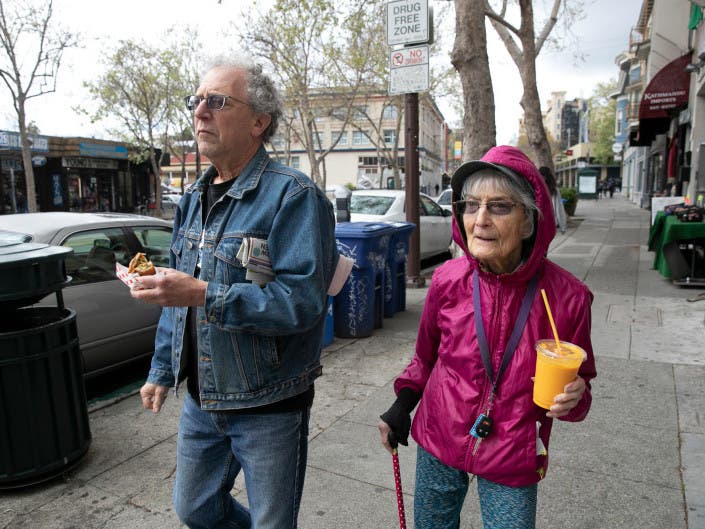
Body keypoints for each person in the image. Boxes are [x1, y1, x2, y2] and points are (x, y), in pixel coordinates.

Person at [131, 57, 339, 529]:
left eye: (217, 101)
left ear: (259, 122)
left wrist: (206, 293)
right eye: (197, 100)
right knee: (194, 507)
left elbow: (302, 304)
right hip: (202, 402)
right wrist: (162, 369)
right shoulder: (191, 200)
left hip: (269, 405)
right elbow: (176, 300)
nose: (200, 111)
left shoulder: (293, 196)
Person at [378, 145, 596, 529]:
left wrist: (574, 400)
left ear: (528, 221)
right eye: (470, 205)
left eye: (499, 206)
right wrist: (402, 404)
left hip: (514, 450)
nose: (480, 220)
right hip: (439, 434)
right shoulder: (447, 280)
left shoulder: (569, 298)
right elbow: (425, 359)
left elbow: (579, 393)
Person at [539, 166, 567, 234]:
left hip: (548, 222)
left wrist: (562, 226)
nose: (541, 178)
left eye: (542, 176)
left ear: (546, 177)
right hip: (539, 222)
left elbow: (559, 208)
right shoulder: (536, 187)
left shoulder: (554, 190)